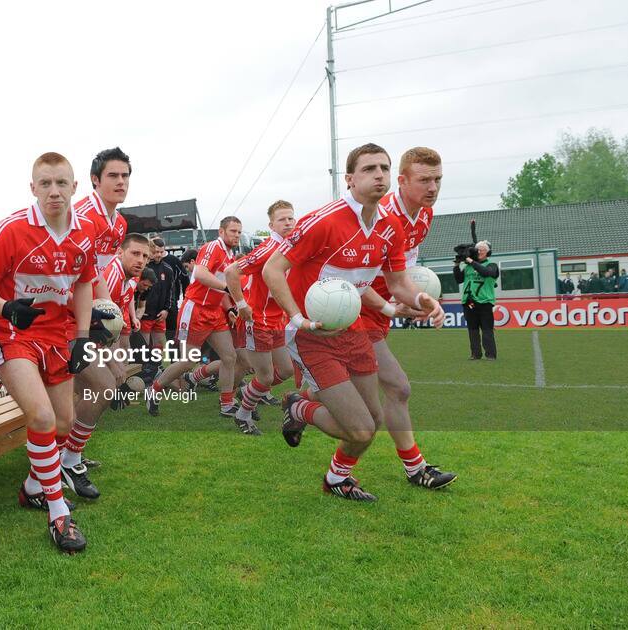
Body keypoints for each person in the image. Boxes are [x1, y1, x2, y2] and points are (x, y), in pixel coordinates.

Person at [262, 142, 443, 502]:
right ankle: (300, 407)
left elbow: (396, 284)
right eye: (369, 169)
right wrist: (297, 318)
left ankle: (336, 478)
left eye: (384, 168)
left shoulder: (390, 227)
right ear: (349, 179)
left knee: (372, 422)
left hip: (355, 327)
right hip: (313, 334)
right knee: (359, 430)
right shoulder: (324, 220)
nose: (379, 175)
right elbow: (273, 269)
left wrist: (422, 300)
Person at [0, 152, 95, 553]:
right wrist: (6, 307)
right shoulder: (11, 229)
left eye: (62, 183)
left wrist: (81, 335)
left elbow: (83, 283)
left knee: (64, 422)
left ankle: (32, 487)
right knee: (42, 415)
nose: (54, 191)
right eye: (45, 184)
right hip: (13, 332)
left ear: (75, 187)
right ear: (33, 188)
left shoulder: (85, 232)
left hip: (58, 334)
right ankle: (58, 514)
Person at [349, 147, 457, 489]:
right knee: (397, 388)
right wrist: (401, 300)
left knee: (336, 388)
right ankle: (415, 469)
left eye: (438, 179)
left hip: (381, 309)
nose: (433, 188)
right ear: (402, 181)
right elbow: (355, 276)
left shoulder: (424, 215)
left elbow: (402, 271)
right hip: (355, 309)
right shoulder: (378, 216)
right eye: (424, 180)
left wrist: (415, 298)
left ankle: (299, 405)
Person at [65, 234, 149, 499]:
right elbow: (96, 321)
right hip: (69, 334)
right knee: (103, 387)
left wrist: (117, 355)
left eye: (145, 256)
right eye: (135, 253)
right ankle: (67, 459)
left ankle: (67, 456)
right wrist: (112, 361)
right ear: (121, 252)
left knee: (83, 394)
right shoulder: (111, 275)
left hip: (80, 335)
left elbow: (112, 325)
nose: (141, 260)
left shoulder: (127, 279)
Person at [146, 218, 242, 417]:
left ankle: (226, 404)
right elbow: (199, 273)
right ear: (221, 231)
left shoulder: (230, 254)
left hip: (214, 311)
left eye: (239, 232)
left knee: (229, 356)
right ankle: (154, 389)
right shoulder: (212, 247)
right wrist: (228, 288)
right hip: (196, 309)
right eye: (233, 231)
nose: (237, 235)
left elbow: (220, 288)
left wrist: (230, 308)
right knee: (190, 360)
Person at [222, 200, 298, 435]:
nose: (288, 223)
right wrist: (241, 304)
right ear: (271, 225)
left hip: (277, 321)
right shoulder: (268, 249)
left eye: (291, 218)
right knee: (264, 377)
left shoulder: (291, 247)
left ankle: (247, 394)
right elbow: (230, 271)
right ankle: (243, 415)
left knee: (285, 371)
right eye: (282, 219)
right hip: (258, 321)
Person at [74, 147, 131, 273]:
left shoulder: (121, 224)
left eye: (125, 176)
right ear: (95, 179)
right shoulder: (79, 217)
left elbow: (98, 274)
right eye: (113, 176)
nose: (121, 181)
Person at [453, 240, 498, 360]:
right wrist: (456, 265)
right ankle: (475, 354)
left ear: (488, 253)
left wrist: (470, 261)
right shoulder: (468, 267)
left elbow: (485, 273)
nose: (479, 251)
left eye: (482, 250)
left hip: (484, 303)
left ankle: (490, 354)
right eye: (478, 249)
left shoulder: (492, 265)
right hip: (470, 302)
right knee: (472, 329)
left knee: (487, 329)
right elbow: (459, 279)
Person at [139, 236, 175, 377]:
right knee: (144, 345)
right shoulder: (143, 267)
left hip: (160, 314)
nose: (158, 254)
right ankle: (146, 371)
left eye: (161, 251)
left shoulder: (167, 269)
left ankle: (157, 368)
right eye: (156, 251)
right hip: (145, 314)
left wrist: (166, 309)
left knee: (159, 343)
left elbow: (171, 292)